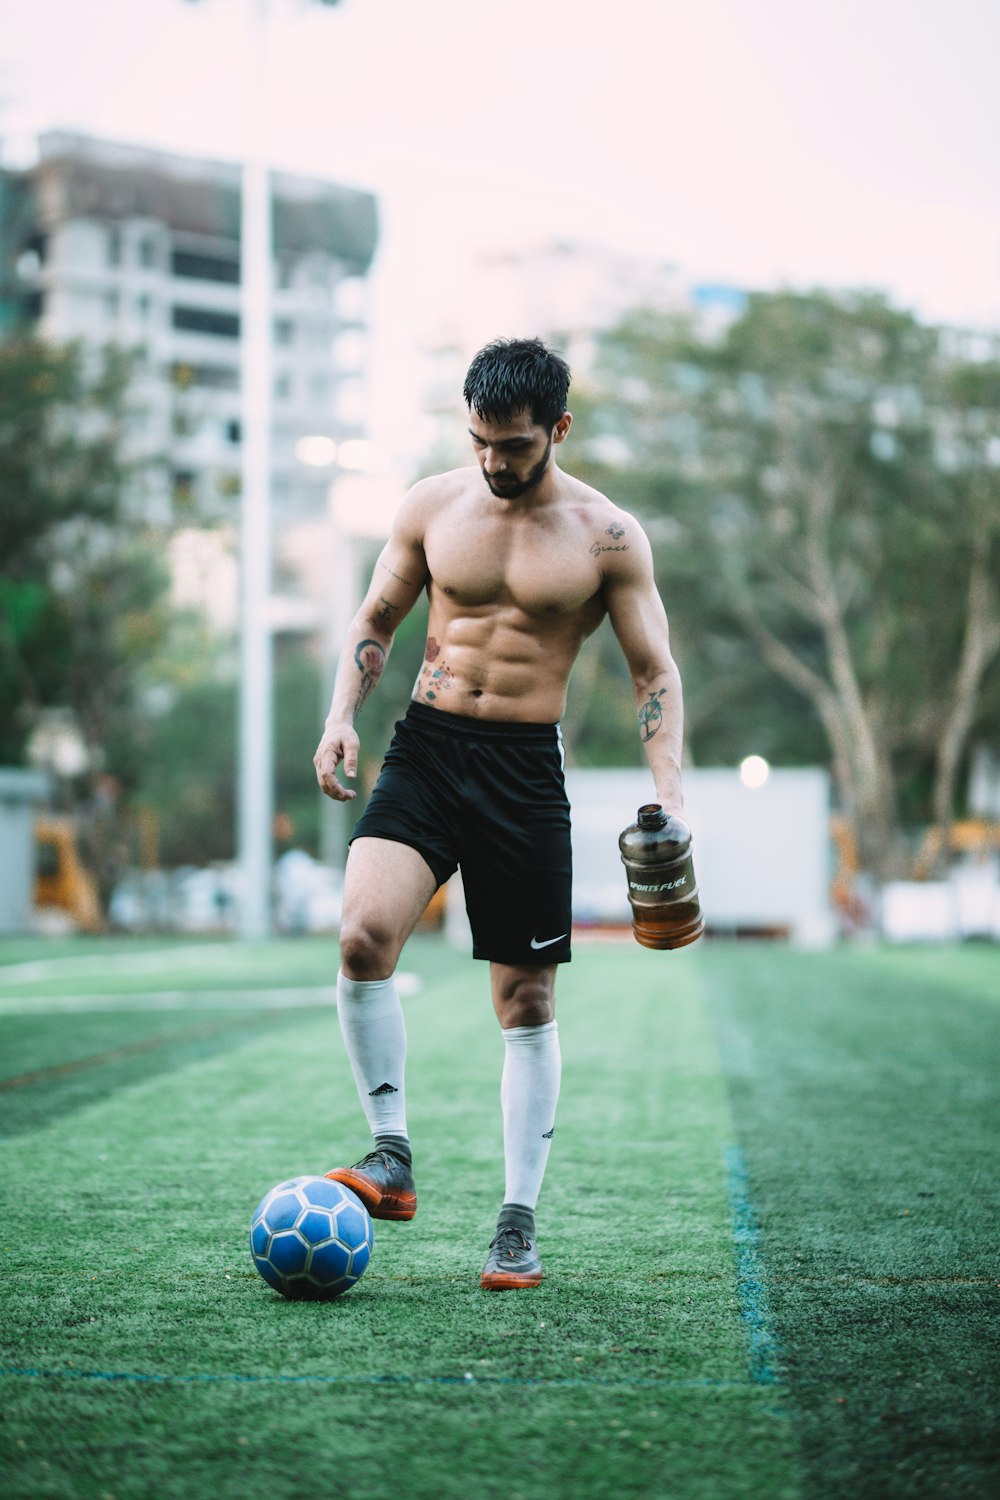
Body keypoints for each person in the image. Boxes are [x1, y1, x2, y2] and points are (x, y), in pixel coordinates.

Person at [314, 337, 686, 1290]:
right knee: (362, 938)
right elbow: (376, 619)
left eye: (514, 445)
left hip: (524, 771)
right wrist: (342, 720)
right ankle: (390, 1155)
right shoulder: (432, 505)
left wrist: (670, 801)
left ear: (557, 430)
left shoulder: (608, 537)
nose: (494, 461)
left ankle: (516, 1223)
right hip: (429, 749)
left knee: (524, 1001)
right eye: (480, 439)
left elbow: (655, 674)